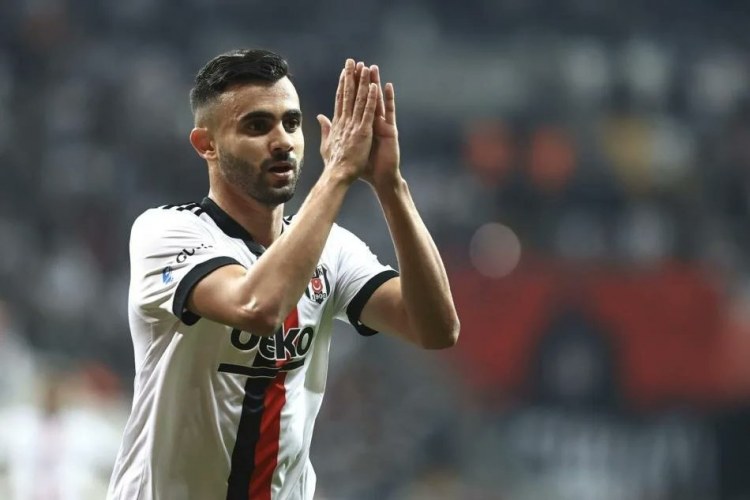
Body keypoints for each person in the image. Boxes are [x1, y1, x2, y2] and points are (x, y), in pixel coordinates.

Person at [107, 48, 460, 500]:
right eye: (257, 126)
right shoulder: (165, 232)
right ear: (206, 144)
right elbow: (257, 307)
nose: (282, 141)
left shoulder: (332, 247)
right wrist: (337, 174)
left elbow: (435, 328)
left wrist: (391, 186)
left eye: (291, 123)